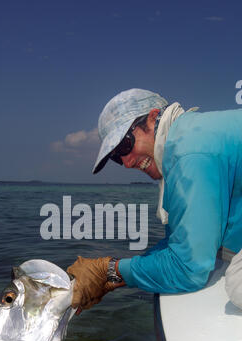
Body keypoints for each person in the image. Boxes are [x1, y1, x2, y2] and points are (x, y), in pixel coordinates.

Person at [67, 89, 242, 312]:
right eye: (116, 158)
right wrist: (112, 278)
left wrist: (109, 269)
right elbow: (178, 243)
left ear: (152, 118)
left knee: (238, 283)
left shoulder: (189, 153)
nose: (127, 162)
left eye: (124, 146)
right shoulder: (187, 137)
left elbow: (189, 269)